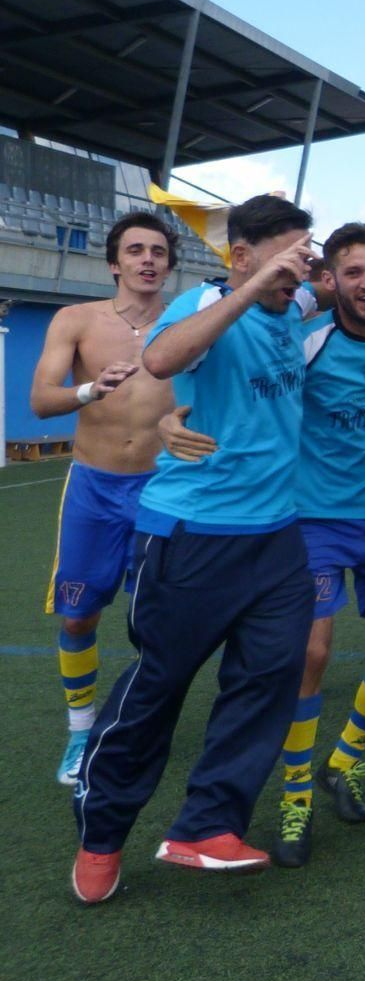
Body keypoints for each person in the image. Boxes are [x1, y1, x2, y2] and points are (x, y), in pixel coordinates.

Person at [69, 194, 320, 904]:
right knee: (157, 688)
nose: (299, 271)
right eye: (287, 256)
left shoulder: (292, 306)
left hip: (275, 540)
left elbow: (345, 289)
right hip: (189, 539)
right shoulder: (205, 305)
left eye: (304, 255)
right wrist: (247, 286)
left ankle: (206, 825)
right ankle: (102, 832)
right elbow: (161, 358)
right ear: (242, 257)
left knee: (267, 680)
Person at [31, 211, 180, 786]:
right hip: (94, 485)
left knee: (162, 619)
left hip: (164, 488)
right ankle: (80, 730)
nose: (148, 260)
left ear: (168, 264)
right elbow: (41, 401)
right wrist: (92, 388)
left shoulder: (186, 322)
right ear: (115, 263)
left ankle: (143, 721)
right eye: (136, 250)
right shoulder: (77, 319)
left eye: (158, 252)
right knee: (78, 616)